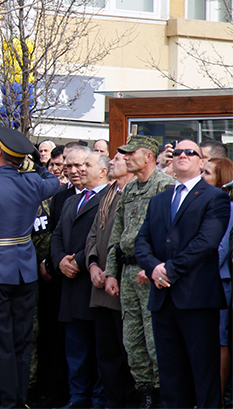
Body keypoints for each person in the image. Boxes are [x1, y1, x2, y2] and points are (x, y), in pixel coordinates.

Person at [0, 128, 60, 409]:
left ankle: (4, 403)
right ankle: (19, 401)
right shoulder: (32, 183)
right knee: (21, 340)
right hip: (25, 270)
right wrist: (29, 164)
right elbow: (52, 179)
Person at [135, 140, 230, 408]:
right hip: (163, 299)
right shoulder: (158, 200)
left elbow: (206, 242)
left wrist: (169, 269)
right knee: (170, 375)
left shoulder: (215, 197)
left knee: (204, 374)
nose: (183, 155)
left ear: (202, 162)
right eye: (177, 152)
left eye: (191, 152)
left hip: (197, 298)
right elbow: (141, 241)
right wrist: (153, 267)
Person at [104, 135, 174, 408]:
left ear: (148, 156)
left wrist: (152, 264)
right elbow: (116, 234)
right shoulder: (130, 189)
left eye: (132, 153)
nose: (126, 157)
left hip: (150, 273)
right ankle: (144, 391)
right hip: (128, 272)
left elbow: (169, 234)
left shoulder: (164, 186)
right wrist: (111, 271)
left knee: (154, 336)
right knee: (132, 339)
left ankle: (162, 392)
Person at [50, 152, 110, 408]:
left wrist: (79, 261)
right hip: (70, 284)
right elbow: (56, 236)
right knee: (75, 348)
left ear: (103, 171)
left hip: (93, 282)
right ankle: (78, 396)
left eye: (86, 165)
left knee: (98, 347)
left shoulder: (110, 198)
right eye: (77, 165)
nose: (80, 170)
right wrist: (60, 260)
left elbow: (103, 239)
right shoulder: (70, 201)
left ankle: (98, 398)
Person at [84, 152, 136, 408]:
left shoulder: (137, 193)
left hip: (124, 286)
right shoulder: (108, 194)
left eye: (117, 158)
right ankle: (113, 400)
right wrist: (92, 264)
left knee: (130, 350)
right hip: (101, 287)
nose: (111, 162)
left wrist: (112, 272)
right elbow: (93, 235)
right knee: (107, 352)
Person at [202, 157, 233, 401]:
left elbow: (220, 247)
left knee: (219, 340)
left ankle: (218, 398)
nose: (201, 177)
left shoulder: (227, 206)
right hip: (196, 279)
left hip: (217, 279)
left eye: (207, 173)